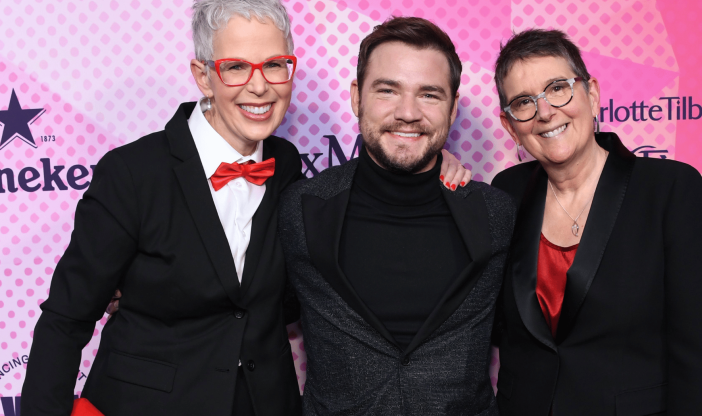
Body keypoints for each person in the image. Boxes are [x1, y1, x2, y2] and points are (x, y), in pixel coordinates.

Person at [20, 1, 470, 415]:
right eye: (236, 67)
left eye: (275, 65)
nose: (259, 86)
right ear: (203, 76)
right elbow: (66, 317)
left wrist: (429, 164)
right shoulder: (134, 172)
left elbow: (293, 295)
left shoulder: (288, 166)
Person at [278, 17, 515, 415]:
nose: (408, 113)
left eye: (429, 95)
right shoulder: (300, 207)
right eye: (388, 90)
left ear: (453, 108)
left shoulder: (496, 212)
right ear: (357, 97)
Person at [490, 29, 702, 416]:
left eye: (557, 88)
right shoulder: (504, 194)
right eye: (523, 102)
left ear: (593, 94)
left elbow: (700, 355)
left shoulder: (670, 190)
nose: (545, 111)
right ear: (510, 125)